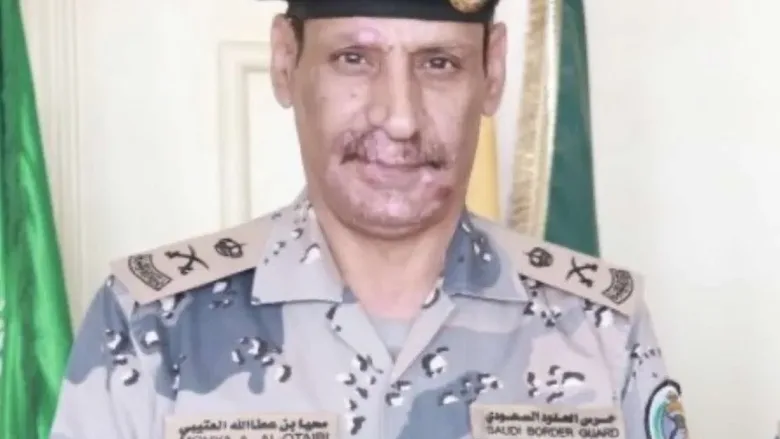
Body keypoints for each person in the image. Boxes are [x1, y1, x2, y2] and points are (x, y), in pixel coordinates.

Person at [49, 0, 689, 438]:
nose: (400, 118)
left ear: (492, 71)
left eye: (439, 63)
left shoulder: (602, 327)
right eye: (354, 58)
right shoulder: (150, 327)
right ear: (285, 61)